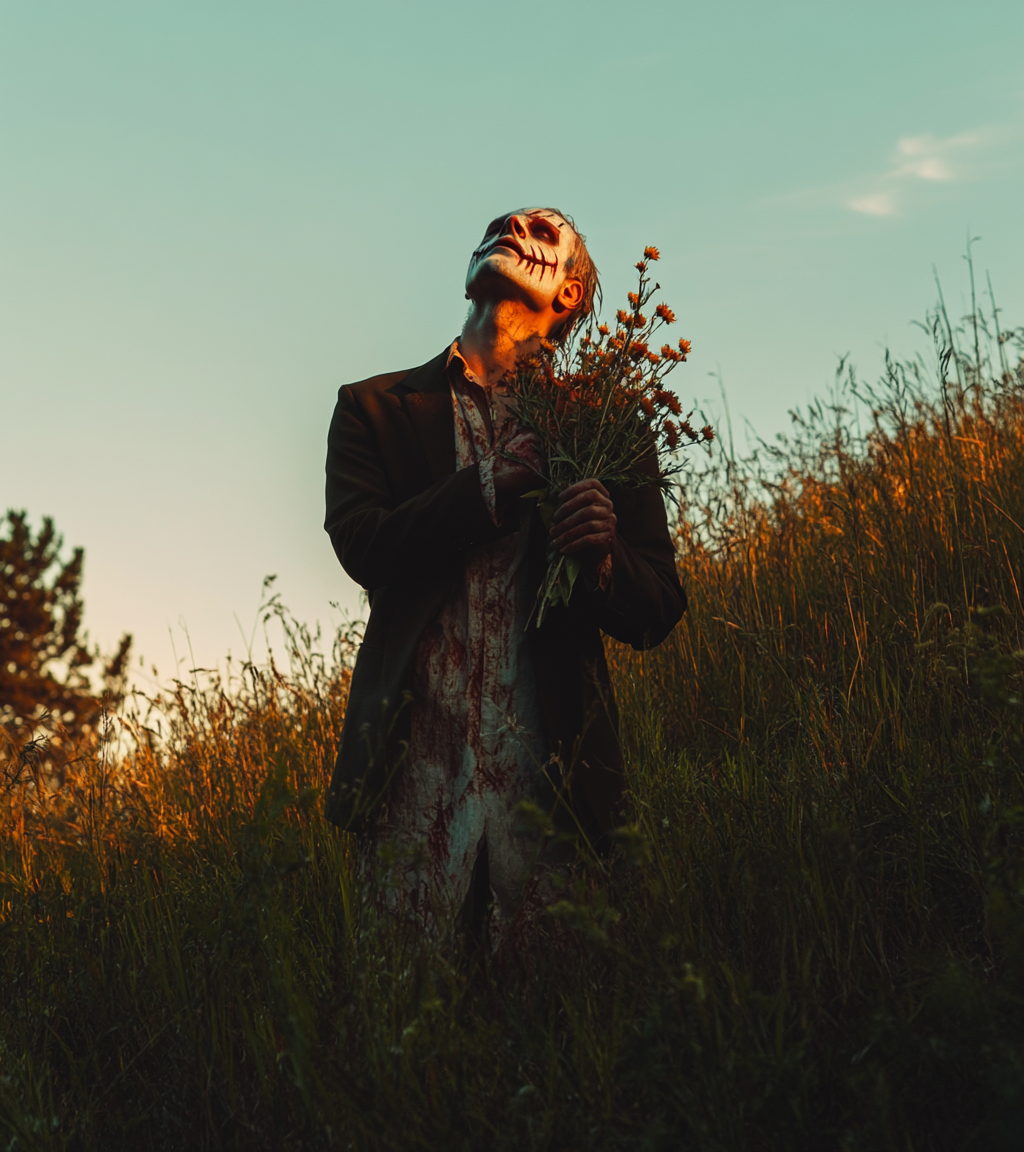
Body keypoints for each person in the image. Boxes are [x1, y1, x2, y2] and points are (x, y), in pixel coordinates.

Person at [324, 207, 685, 939]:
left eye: (543, 232)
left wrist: (604, 559)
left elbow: (659, 609)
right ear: (467, 277)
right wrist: (491, 486)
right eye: (498, 225)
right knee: (398, 1023)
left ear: (571, 298)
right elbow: (362, 545)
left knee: (557, 1029)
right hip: (407, 786)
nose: (514, 225)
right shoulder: (372, 409)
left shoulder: (607, 427)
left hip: (556, 794)